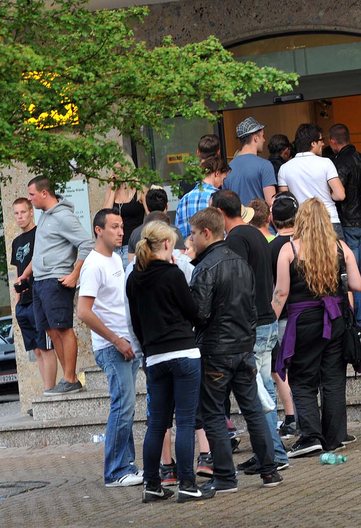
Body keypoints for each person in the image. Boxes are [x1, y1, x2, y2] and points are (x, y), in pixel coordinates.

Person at [189, 207, 283, 492]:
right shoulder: (241, 264)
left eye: (193, 234)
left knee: (214, 413)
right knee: (253, 409)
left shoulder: (205, 268)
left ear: (207, 233)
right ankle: (269, 471)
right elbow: (252, 307)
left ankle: (225, 477)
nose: (191, 239)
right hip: (243, 346)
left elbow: (200, 314)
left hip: (216, 350)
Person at [272, 199, 361, 458]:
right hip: (336, 318)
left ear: (301, 220)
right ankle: (334, 436)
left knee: (302, 377)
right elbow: (357, 284)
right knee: (333, 378)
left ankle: (311, 436)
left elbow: (281, 293)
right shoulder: (340, 247)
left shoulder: (289, 250)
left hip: (303, 321)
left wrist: (268, 322)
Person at [210, 190, 290, 474]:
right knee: (264, 389)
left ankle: (272, 453)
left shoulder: (236, 239)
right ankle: (269, 452)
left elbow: (238, 283)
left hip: (253, 324)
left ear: (220, 213)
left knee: (257, 394)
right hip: (266, 319)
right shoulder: (256, 233)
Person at [126, 220, 207, 503]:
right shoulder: (173, 274)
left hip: (155, 356)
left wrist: (146, 351)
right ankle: (187, 484)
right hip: (183, 352)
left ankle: (152, 484)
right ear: (167, 244)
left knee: (157, 424)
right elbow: (194, 311)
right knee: (184, 421)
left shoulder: (133, 279)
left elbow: (135, 323)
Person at [75, 209, 142, 487]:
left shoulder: (115, 258)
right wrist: (116, 340)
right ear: (98, 230)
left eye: (122, 226)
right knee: (122, 406)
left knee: (127, 408)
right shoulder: (93, 265)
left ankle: (127, 466)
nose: (121, 232)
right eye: (114, 226)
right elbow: (83, 312)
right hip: (112, 347)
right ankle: (115, 472)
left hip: (128, 344)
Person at [22, 176, 93, 395]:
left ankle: (70, 379)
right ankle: (67, 378)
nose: (29, 199)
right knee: (51, 330)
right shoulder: (44, 216)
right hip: (40, 282)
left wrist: (74, 274)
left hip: (56, 281)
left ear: (44, 193)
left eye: (32, 194)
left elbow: (87, 243)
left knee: (63, 328)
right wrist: (26, 275)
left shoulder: (64, 216)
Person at [328, 123, 361, 336]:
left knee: (353, 275)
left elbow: (338, 192)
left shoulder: (338, 163)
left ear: (333, 141)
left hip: (348, 224)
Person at [10, 197, 58, 393]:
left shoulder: (40, 233)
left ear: (31, 212)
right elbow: (17, 270)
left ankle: (50, 392)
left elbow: (39, 258)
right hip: (24, 303)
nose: (20, 217)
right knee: (37, 350)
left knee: (46, 347)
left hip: (39, 299)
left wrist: (25, 277)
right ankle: (47, 391)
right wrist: (17, 301)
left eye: (23, 212)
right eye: (16, 213)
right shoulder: (16, 242)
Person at [277, 124, 345, 237]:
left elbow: (285, 200)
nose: (323, 144)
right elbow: (340, 195)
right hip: (328, 219)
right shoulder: (326, 163)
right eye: (321, 140)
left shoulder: (284, 168)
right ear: (313, 143)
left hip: (301, 223)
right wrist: (329, 193)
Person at [268, 192, 299, 439]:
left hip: (282, 316)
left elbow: (274, 288)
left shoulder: (271, 248)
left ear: (272, 219)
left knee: (285, 369)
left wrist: (271, 317)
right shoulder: (305, 244)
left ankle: (293, 418)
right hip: (308, 314)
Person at [224, 116, 276, 208]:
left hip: (236, 217)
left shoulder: (227, 168)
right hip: (259, 217)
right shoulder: (265, 165)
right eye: (262, 136)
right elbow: (270, 202)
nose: (264, 140)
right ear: (255, 138)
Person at [102, 161, 145, 266]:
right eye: (114, 170)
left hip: (133, 245)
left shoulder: (139, 190)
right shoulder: (111, 190)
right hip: (115, 246)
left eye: (120, 170)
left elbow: (150, 215)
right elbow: (104, 215)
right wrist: (113, 191)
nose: (117, 173)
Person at [174, 157, 229, 240]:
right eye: (223, 179)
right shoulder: (218, 197)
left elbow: (179, 235)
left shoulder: (183, 200)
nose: (222, 184)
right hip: (213, 246)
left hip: (189, 247)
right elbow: (223, 232)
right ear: (217, 173)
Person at [128, 188, 185, 254]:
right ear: (167, 206)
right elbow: (181, 257)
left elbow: (132, 259)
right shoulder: (175, 232)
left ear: (147, 207)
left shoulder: (135, 234)